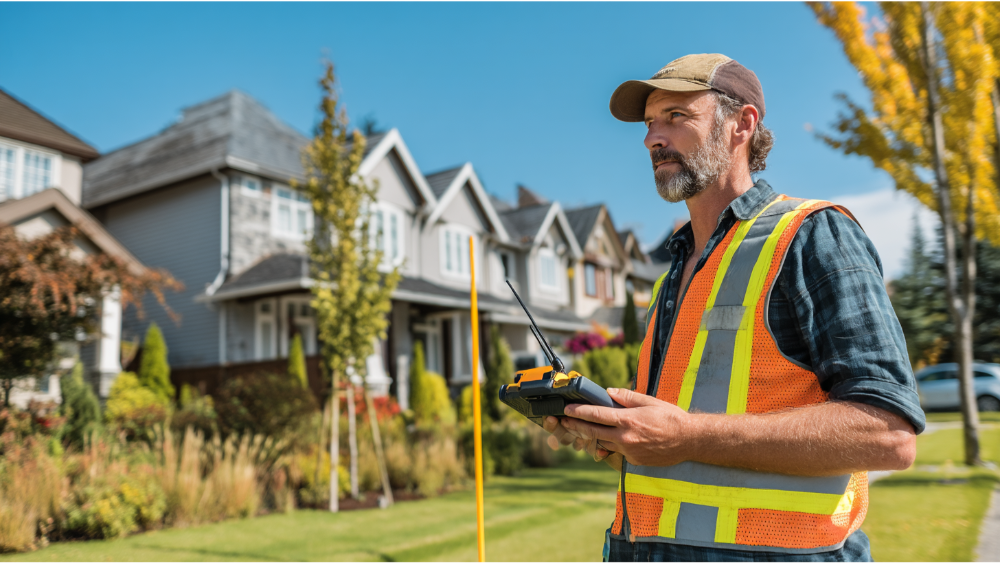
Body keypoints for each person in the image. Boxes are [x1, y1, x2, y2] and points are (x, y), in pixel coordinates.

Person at [542, 53, 924, 563]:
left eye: (677, 117)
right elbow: (683, 446)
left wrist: (685, 436)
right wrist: (621, 437)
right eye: (652, 122)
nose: (653, 138)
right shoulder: (674, 275)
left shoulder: (811, 236)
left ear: (742, 124)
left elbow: (888, 434)